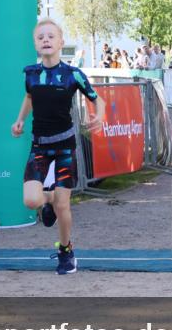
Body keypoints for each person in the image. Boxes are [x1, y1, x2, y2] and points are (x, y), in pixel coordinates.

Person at [11, 19, 104, 276]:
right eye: (41, 37)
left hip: (65, 146)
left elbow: (98, 99)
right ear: (35, 44)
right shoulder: (30, 74)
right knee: (31, 200)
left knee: (64, 206)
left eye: (51, 36)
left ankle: (66, 251)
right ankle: (47, 199)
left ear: (61, 42)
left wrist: (100, 115)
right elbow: (29, 97)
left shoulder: (73, 74)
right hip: (39, 146)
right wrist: (20, 120)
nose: (46, 40)